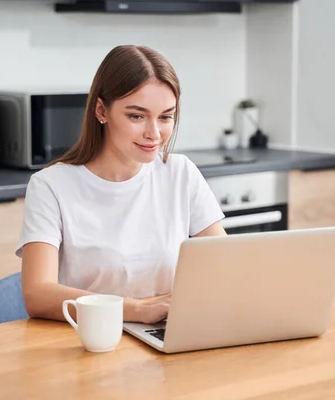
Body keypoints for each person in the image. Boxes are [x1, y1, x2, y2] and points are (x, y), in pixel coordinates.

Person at [16, 45, 226, 325]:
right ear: (102, 110)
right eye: (137, 116)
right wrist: (136, 311)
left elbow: (225, 265)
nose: (154, 133)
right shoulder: (51, 186)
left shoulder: (180, 172)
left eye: (165, 117)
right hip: (91, 337)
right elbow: (37, 294)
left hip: (168, 331)